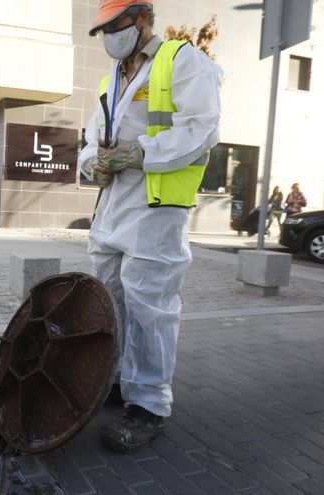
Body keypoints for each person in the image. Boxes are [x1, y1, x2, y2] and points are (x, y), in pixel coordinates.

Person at [79, 0, 222, 453]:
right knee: (109, 300)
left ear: (143, 19)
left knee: (150, 307)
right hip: (112, 207)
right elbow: (89, 142)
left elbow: (202, 127)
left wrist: (142, 152)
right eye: (102, 29)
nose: (110, 37)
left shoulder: (181, 60)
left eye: (117, 25)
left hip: (156, 206)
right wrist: (91, 166)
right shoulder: (110, 82)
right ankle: (118, 382)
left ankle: (149, 406)